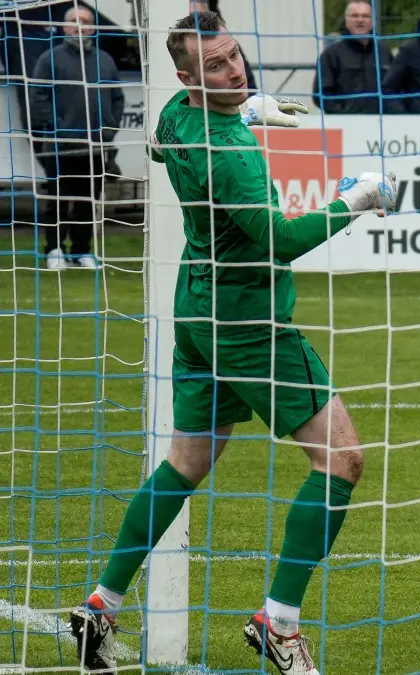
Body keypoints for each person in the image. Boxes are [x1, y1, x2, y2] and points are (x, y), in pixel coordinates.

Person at [68, 11, 398, 675]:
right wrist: (356, 200)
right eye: (216, 66)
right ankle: (279, 621)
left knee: (186, 461)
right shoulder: (234, 154)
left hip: (196, 313)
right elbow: (279, 238)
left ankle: (99, 605)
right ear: (189, 75)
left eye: (234, 56)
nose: (235, 68)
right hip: (250, 323)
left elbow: (163, 148)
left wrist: (243, 107)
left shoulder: (174, 115)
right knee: (343, 459)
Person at [29, 5, 124, 269]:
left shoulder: (105, 60)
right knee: (57, 202)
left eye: (85, 21)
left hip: (94, 149)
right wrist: (56, 126)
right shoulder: (49, 58)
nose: (80, 25)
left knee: (86, 203)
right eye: (74, 21)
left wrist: (109, 128)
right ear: (64, 26)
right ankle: (54, 251)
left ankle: (82, 251)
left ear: (93, 27)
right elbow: (38, 98)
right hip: (58, 149)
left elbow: (117, 98)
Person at [312, 0, 395, 114]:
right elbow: (321, 94)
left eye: (365, 16)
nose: (360, 20)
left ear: (372, 21)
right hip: (344, 126)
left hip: (382, 122)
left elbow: (395, 87)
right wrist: (343, 114)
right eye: (354, 16)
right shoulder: (330, 55)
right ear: (346, 20)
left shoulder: (384, 51)